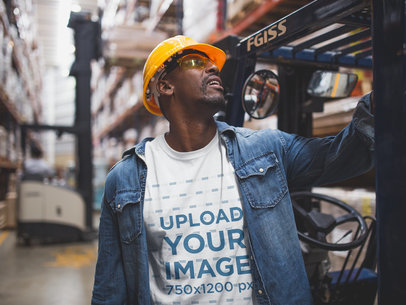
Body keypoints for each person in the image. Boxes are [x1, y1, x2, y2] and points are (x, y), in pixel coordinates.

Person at [91, 36, 374, 305]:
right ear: (165, 86)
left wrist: (385, 90)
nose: (213, 66)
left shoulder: (266, 150)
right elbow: (109, 289)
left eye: (212, 63)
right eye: (195, 62)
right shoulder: (125, 180)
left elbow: (343, 155)